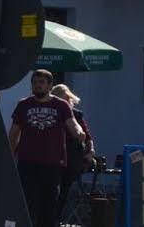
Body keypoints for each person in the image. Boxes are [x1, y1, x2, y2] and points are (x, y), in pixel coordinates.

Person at [10, 70, 83, 227]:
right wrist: (9, 156)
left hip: (52, 163)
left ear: (50, 85)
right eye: (35, 83)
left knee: (49, 206)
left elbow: (73, 124)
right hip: (27, 162)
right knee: (28, 204)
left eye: (41, 83)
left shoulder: (61, 105)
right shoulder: (23, 105)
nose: (37, 86)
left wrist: (79, 132)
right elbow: (14, 133)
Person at [50, 84, 95, 216]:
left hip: (71, 159)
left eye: (67, 100)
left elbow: (87, 136)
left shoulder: (76, 114)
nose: (66, 103)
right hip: (53, 158)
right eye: (62, 100)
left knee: (63, 190)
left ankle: (55, 218)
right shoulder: (52, 114)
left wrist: (91, 150)